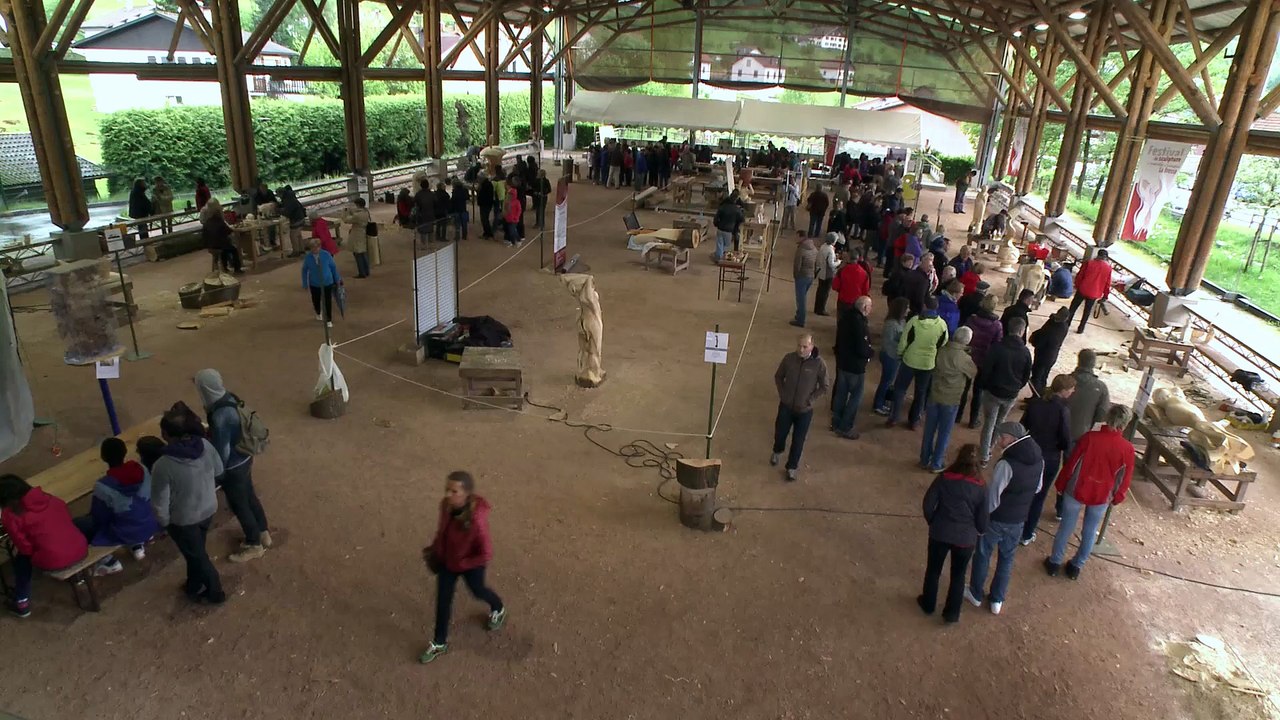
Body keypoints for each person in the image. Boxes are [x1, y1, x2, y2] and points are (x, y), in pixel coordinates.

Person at [420, 471, 506, 663]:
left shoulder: (477, 520)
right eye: (447, 490)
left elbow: (486, 553)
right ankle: (439, 642)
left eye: (454, 491)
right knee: (443, 601)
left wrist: (463, 563)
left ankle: (498, 607)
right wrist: (436, 548)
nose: (448, 495)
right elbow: (442, 530)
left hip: (470, 564)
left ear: (466, 494)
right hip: (448, 562)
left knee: (478, 590)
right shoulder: (445, 506)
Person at [1047, 405, 1135, 579]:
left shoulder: (1089, 438)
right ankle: (1076, 566)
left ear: (1107, 418)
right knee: (1089, 531)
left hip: (1076, 488)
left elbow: (1072, 464)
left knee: (1066, 527)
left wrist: (1061, 483)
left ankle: (1054, 563)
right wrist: (1118, 496)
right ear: (1125, 424)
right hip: (1102, 494)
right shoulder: (1127, 448)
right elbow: (1125, 477)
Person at [965, 422, 1043, 615]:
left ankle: (975, 593)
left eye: (1003, 437)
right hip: (1018, 520)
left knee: (983, 554)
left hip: (997, 519)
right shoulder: (1039, 459)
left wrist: (983, 517)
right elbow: (1038, 488)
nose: (1000, 440)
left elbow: (993, 497)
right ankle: (997, 599)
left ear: (1013, 439)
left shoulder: (1006, 463)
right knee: (1006, 559)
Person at [195, 369, 271, 563]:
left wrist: (216, 475)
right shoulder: (229, 397)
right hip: (245, 457)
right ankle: (263, 532)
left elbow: (222, 454)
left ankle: (254, 544)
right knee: (249, 496)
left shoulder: (220, 416)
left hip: (233, 467)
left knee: (239, 505)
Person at [151, 406, 225, 604]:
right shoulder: (205, 445)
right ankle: (193, 584)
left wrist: (164, 522)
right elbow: (219, 470)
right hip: (208, 507)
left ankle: (215, 593)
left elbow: (160, 501)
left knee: (197, 556)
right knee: (196, 551)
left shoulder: (163, 465)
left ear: (168, 435)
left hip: (184, 519)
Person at [0, 474, 89, 617]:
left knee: (21, 560)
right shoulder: (49, 498)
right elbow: (65, 515)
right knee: (77, 524)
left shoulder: (11, 516)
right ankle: (99, 565)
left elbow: (26, 549)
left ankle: (22, 602)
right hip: (81, 549)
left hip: (55, 561)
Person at [918, 444, 989, 624]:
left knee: (933, 570)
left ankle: (928, 604)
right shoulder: (981, 486)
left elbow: (928, 503)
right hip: (965, 539)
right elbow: (983, 518)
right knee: (958, 575)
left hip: (940, 532)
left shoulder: (945, 478)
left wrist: (933, 521)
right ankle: (951, 613)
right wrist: (979, 531)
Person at [74, 437, 160, 576]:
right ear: (125, 452)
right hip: (150, 522)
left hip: (126, 531)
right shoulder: (142, 469)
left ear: (103, 457)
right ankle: (136, 546)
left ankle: (109, 562)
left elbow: (99, 517)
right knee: (132, 512)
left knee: (79, 525)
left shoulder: (103, 486)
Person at [1019, 374, 1075, 545]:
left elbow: (1022, 426)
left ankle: (1014, 525)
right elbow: (1065, 439)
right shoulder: (1063, 410)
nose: (1073, 392)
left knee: (1022, 489)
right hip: (1049, 457)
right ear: (1064, 391)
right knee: (1039, 495)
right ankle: (1027, 534)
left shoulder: (1036, 403)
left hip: (1029, 451)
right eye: (1071, 389)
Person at [771, 334, 830, 482]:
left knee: (798, 440)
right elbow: (778, 376)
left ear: (812, 346)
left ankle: (792, 467)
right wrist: (783, 394)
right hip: (786, 406)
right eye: (799, 346)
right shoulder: (789, 359)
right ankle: (777, 450)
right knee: (780, 433)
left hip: (804, 411)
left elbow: (824, 386)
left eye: (805, 346)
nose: (801, 350)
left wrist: (810, 400)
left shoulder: (819, 364)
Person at [920, 326, 977, 472]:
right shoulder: (964, 358)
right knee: (944, 433)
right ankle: (936, 463)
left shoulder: (941, 350)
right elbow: (973, 372)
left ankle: (924, 459)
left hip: (934, 395)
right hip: (951, 399)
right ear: (967, 341)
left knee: (929, 430)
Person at [888, 295, 949, 430]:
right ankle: (914, 421)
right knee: (921, 393)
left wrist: (900, 353)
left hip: (910, 360)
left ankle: (894, 417)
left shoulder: (914, 322)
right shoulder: (942, 325)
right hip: (927, 363)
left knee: (900, 389)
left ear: (924, 306)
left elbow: (904, 341)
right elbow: (943, 342)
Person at [977, 316, 1032, 463]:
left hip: (993, 392)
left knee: (989, 423)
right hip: (1011, 394)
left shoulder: (997, 348)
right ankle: (990, 448)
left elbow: (986, 370)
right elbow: (1026, 375)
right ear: (1022, 331)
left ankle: (984, 455)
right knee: (1000, 422)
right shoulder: (1025, 352)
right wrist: (1017, 387)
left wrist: (985, 385)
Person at [832, 296, 874, 440]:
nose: (871, 309)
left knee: (841, 394)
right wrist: (870, 353)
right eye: (870, 306)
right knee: (856, 397)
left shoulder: (845, 318)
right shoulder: (859, 323)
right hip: (855, 366)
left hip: (842, 362)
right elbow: (862, 347)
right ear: (864, 307)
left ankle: (836, 423)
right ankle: (845, 427)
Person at [960, 293, 1003, 428]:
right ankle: (973, 420)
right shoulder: (997, 325)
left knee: (964, 388)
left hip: (969, 356)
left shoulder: (971, 319)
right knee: (978, 391)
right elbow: (997, 344)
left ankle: (958, 415)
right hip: (984, 360)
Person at [872, 297, 909, 415]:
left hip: (895, 356)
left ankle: (882, 402)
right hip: (890, 356)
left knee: (888, 381)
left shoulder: (901, 321)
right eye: (907, 308)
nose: (909, 310)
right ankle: (878, 405)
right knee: (886, 381)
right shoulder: (891, 324)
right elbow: (887, 343)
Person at [1068, 349, 1111, 443]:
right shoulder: (1101, 387)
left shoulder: (1064, 381)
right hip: (1083, 435)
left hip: (1057, 433)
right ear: (1094, 364)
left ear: (1078, 361)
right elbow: (1102, 414)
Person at [1068, 248, 1113, 333]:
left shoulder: (1089, 263)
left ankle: (1066, 324)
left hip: (1082, 289)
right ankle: (1081, 329)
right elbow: (1107, 284)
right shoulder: (1108, 268)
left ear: (1098, 255)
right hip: (1094, 294)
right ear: (1106, 257)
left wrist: (1077, 285)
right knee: (1087, 312)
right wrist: (1105, 296)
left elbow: (1080, 275)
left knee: (1073, 308)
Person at [1029, 307, 1071, 395]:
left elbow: (1043, 337)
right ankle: (1040, 395)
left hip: (1044, 355)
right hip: (1051, 355)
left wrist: (1035, 340)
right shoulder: (1062, 326)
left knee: (1037, 377)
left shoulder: (1057, 327)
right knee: (1043, 376)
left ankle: (1037, 397)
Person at [301, 238, 341, 328]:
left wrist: (337, 279)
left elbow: (333, 267)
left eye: (316, 247)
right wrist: (304, 283)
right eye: (312, 248)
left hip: (327, 282)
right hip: (314, 283)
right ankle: (318, 312)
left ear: (320, 247)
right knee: (316, 300)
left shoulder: (326, 255)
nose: (314, 249)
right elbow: (304, 270)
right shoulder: (308, 257)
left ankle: (329, 319)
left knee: (327, 301)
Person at [201, 198, 243, 275]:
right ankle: (237, 268)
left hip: (210, 246)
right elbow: (228, 231)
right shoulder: (219, 220)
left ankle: (225, 267)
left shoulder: (207, 222)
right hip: (220, 245)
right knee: (233, 250)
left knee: (224, 249)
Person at [831, 246, 870, 314]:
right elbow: (865, 291)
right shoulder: (864, 273)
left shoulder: (842, 271)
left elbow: (835, 286)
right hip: (857, 302)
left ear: (848, 258)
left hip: (843, 300)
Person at [791, 233, 818, 328]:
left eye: (797, 236)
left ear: (801, 237)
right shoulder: (814, 248)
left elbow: (797, 265)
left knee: (801, 300)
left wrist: (796, 276)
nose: (795, 238)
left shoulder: (801, 250)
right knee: (802, 297)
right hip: (810, 276)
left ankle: (800, 320)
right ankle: (799, 315)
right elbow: (817, 263)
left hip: (802, 276)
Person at [342, 197, 372, 279]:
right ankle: (366, 271)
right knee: (363, 253)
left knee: (358, 253)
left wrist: (345, 212)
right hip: (363, 232)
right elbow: (356, 213)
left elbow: (346, 220)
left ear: (357, 205)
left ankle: (362, 272)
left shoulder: (357, 215)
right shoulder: (365, 211)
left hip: (357, 234)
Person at [813, 233, 839, 317]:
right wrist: (838, 262)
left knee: (820, 290)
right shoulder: (830, 250)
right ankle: (821, 309)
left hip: (820, 271)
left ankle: (817, 308)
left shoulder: (823, 246)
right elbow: (831, 264)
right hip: (827, 273)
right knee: (825, 292)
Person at [712, 196, 742, 264]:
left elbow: (716, 218)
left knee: (719, 244)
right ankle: (724, 259)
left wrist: (717, 224)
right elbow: (741, 219)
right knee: (726, 245)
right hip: (729, 230)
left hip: (720, 228)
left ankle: (719, 258)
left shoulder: (722, 207)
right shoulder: (736, 209)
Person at [279, 185, 308, 256]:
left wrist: (278, 210)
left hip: (296, 219)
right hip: (301, 217)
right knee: (298, 235)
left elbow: (287, 212)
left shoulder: (288, 200)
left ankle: (296, 251)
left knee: (293, 235)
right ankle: (301, 250)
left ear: (281, 194)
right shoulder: (291, 197)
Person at [414, 179, 436, 244]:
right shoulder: (432, 194)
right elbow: (436, 203)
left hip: (422, 214)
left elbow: (415, 203)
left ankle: (423, 244)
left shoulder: (418, 194)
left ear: (421, 186)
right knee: (430, 229)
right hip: (430, 214)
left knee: (422, 230)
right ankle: (431, 243)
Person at [476, 173, 495, 240]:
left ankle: (488, 234)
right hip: (486, 204)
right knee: (485, 219)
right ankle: (487, 233)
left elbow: (484, 195)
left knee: (484, 219)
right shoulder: (487, 184)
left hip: (485, 204)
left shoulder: (486, 185)